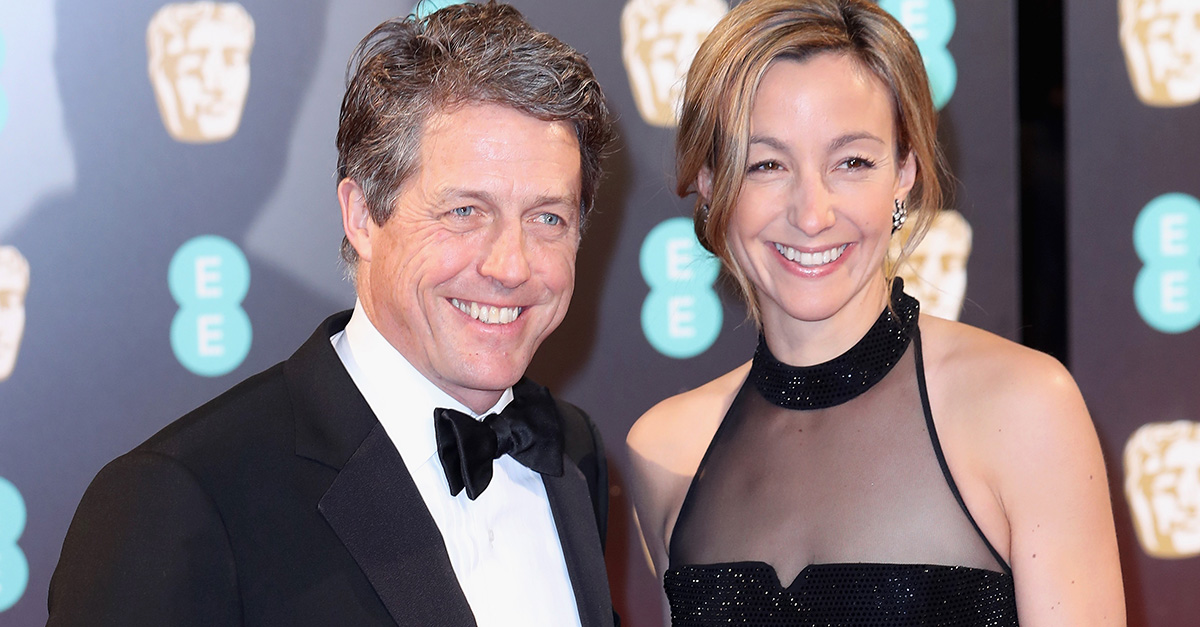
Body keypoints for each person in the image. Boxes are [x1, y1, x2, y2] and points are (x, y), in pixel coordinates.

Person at [47, 3, 616, 626]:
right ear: (362, 216)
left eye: (548, 218)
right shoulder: (179, 503)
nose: (511, 266)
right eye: (464, 212)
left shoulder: (572, 452)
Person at [626, 0, 1125, 625]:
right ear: (709, 184)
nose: (812, 214)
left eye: (852, 162)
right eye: (766, 165)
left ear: (904, 173)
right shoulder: (666, 453)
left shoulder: (1024, 409)